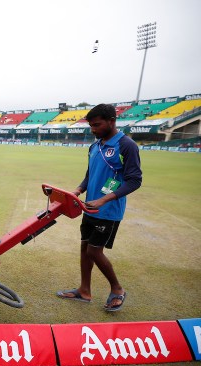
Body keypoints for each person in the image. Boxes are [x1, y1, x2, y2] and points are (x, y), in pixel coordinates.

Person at [57, 104, 142, 312]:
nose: (93, 130)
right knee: (85, 248)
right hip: (89, 208)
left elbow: (134, 180)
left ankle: (118, 289)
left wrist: (104, 200)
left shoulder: (126, 145)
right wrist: (77, 191)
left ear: (111, 121)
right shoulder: (95, 146)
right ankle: (84, 291)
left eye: (97, 125)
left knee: (95, 251)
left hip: (108, 211)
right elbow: (89, 175)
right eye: (91, 126)